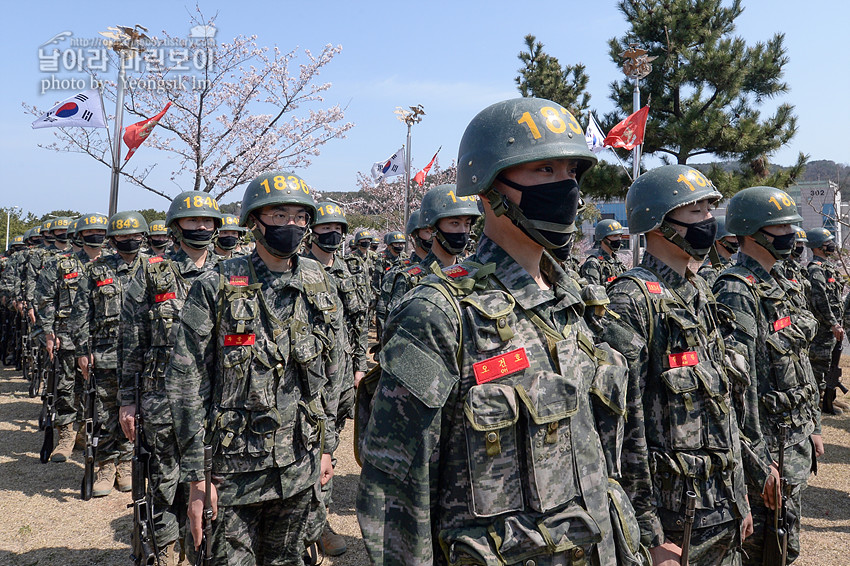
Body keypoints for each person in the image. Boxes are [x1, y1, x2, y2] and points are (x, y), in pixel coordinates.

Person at [357, 97, 642, 565]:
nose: (566, 187)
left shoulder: (577, 301)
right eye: (544, 171)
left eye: (571, 171)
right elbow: (397, 493)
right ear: (490, 189)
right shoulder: (439, 313)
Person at [167, 172, 342, 565]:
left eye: (300, 216)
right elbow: (186, 382)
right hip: (230, 473)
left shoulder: (321, 283)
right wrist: (197, 477)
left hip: (299, 464)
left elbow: (335, 373)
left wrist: (327, 447)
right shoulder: (217, 285)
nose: (291, 226)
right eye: (279, 215)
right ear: (254, 222)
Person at [600, 165, 752, 565]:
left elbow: (724, 409)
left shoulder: (700, 292)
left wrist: (739, 498)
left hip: (721, 510)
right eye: (695, 212)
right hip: (673, 523)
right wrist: (647, 534)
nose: (708, 221)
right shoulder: (631, 300)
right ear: (657, 221)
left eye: (708, 209)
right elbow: (623, 430)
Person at [713, 186, 822, 565]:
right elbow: (738, 389)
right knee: (763, 553)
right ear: (753, 231)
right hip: (767, 455)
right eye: (781, 227)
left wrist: (814, 426)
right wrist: (760, 467)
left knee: (786, 547)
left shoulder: (781, 284)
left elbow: (799, 360)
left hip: (792, 443)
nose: (790, 235)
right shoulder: (735, 290)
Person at [119, 191, 222, 565]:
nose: (200, 227)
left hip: (213, 401)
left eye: (207, 221)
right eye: (192, 221)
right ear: (176, 226)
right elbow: (131, 340)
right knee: (164, 484)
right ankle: (161, 552)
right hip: (160, 402)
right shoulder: (152, 272)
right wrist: (127, 399)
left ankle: (201, 552)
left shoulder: (231, 273)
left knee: (209, 482)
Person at [302, 201, 369, 556]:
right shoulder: (299, 269)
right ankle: (314, 524)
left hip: (342, 375)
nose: (333, 235)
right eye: (326, 229)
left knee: (330, 445)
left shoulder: (349, 269)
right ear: (313, 231)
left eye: (339, 230)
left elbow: (359, 322)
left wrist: (359, 365)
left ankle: (317, 517)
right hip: (311, 376)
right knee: (310, 445)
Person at [71, 211, 149, 496]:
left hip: (139, 356)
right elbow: (81, 313)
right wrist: (82, 350)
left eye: (134, 236)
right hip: (105, 355)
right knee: (104, 412)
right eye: (123, 236)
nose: (129, 241)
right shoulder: (97, 270)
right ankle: (105, 465)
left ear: (143, 237)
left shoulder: (154, 269)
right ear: (113, 239)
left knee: (133, 412)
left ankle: (126, 463)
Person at [34, 215, 103, 462]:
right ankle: (66, 435)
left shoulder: (112, 265)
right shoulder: (62, 264)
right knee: (66, 386)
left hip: (101, 339)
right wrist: (49, 333)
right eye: (90, 232)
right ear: (79, 235)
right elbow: (45, 299)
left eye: (101, 231)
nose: (96, 236)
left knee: (96, 390)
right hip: (66, 338)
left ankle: (87, 433)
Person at [385, 184, 481, 318]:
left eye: (467, 224)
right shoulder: (410, 279)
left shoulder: (473, 273)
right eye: (454, 223)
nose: (463, 231)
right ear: (431, 228)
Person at [805, 227, 846, 415]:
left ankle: (830, 398)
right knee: (820, 365)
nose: (832, 245)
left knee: (831, 365)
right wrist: (833, 323)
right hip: (823, 329)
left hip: (833, 328)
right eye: (828, 242)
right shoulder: (815, 271)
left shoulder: (827, 268)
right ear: (819, 246)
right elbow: (820, 302)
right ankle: (820, 401)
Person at [579, 219, 626, 285]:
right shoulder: (593, 263)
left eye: (620, 236)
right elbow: (593, 291)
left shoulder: (617, 261)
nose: (619, 239)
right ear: (603, 238)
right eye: (615, 236)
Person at [696, 215, 738, 288]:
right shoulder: (709, 272)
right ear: (719, 240)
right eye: (733, 237)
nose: (737, 240)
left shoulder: (731, 264)